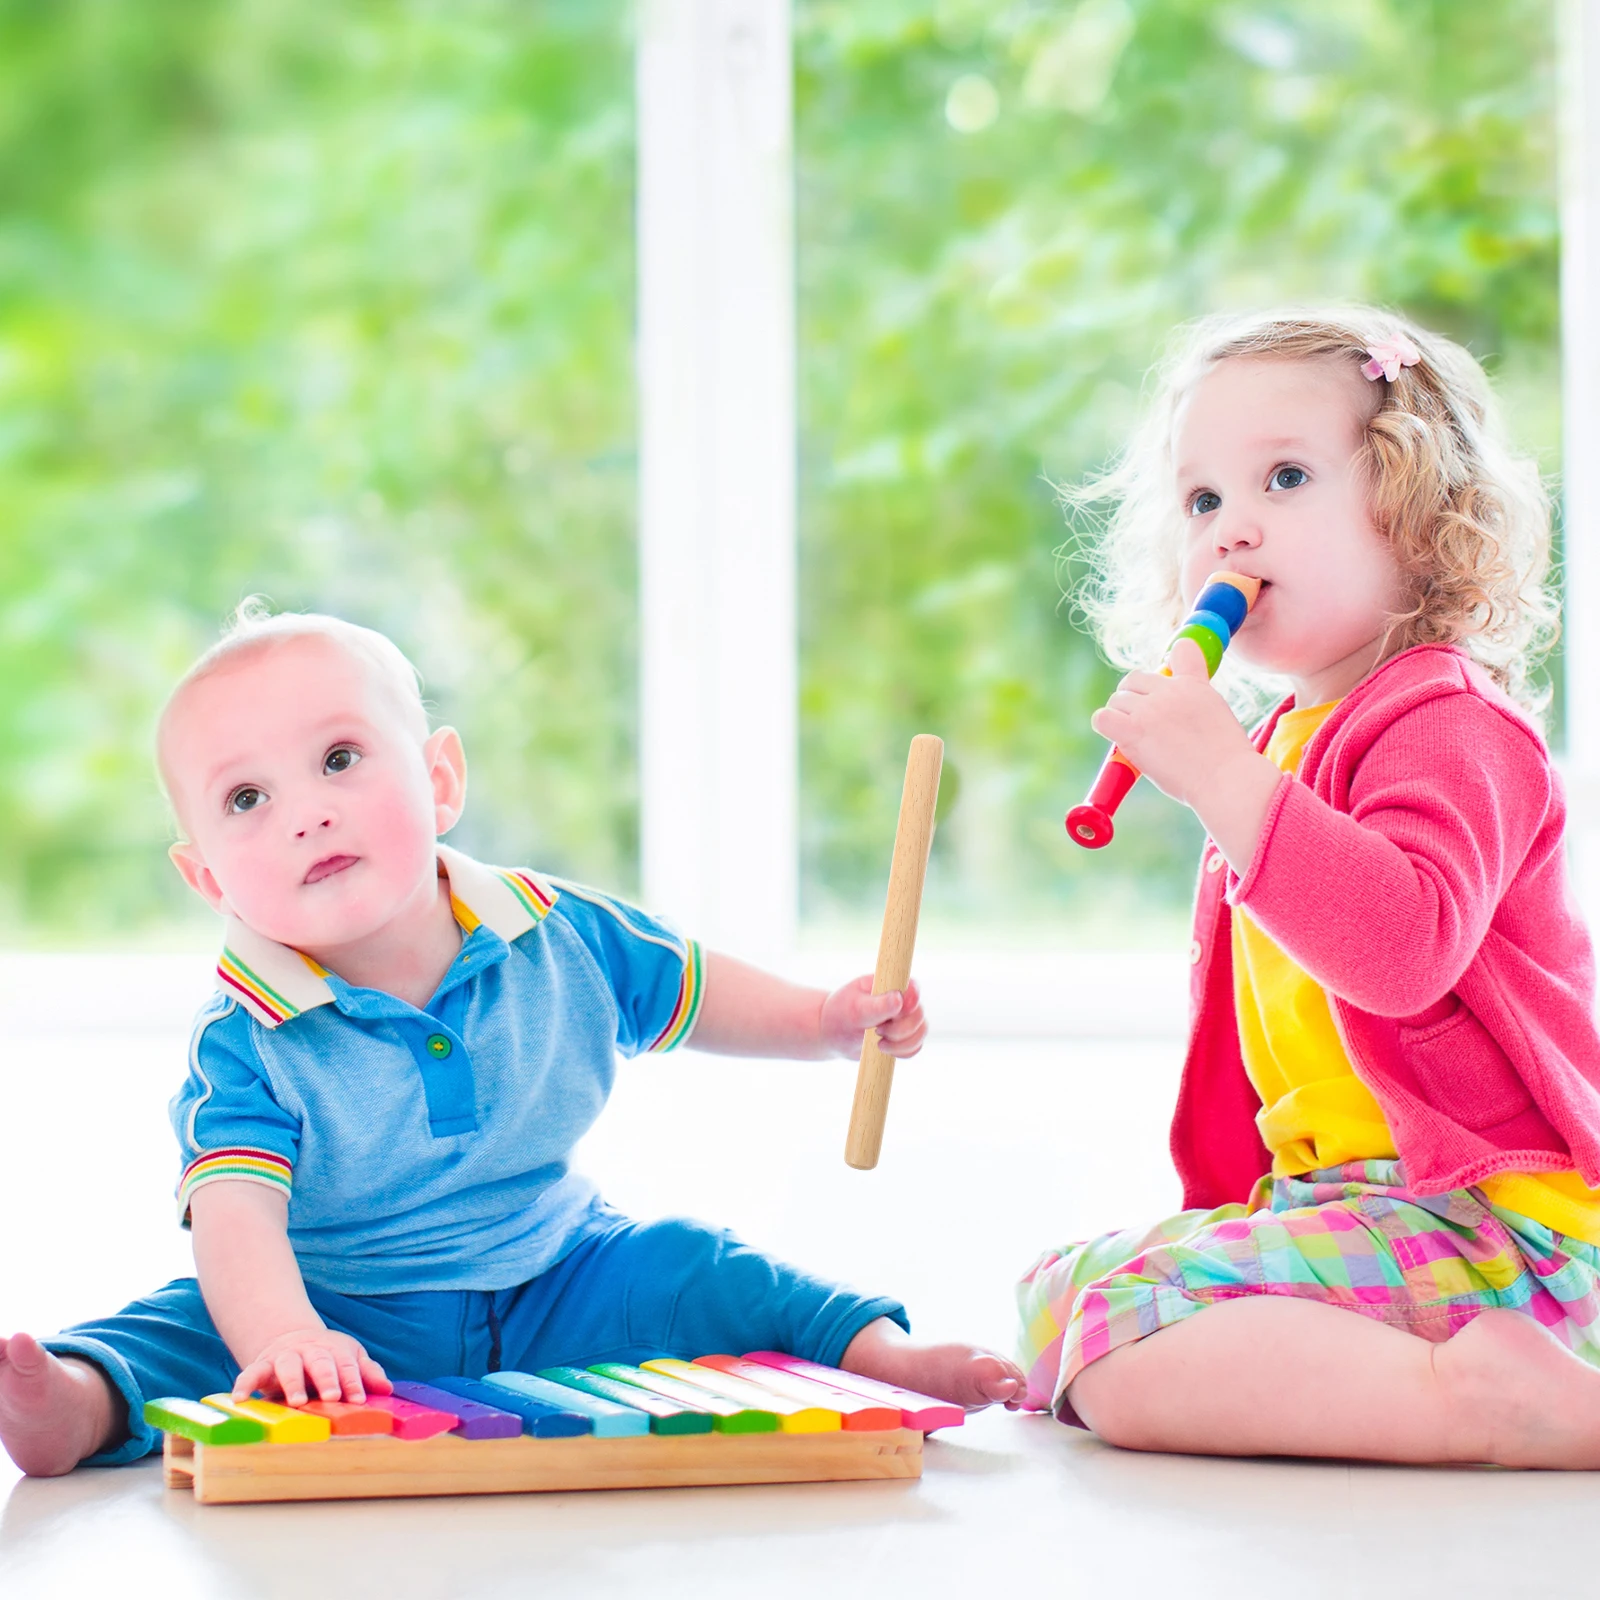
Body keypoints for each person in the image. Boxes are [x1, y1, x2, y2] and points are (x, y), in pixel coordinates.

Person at [1, 605, 1023, 1475]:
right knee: (181, 1332)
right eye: (247, 799)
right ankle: (76, 1404)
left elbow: (695, 988)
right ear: (209, 879)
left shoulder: (556, 932)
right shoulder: (248, 1035)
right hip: (339, 1306)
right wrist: (285, 1338)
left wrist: (826, 1023)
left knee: (708, 1269)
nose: (305, 813)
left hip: (557, 1273)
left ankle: (884, 1352)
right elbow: (236, 1223)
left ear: (440, 778)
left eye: (340, 759)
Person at [1017, 308, 1600, 1467]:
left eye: (1282, 478)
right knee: (1057, 1300)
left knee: (1119, 1340)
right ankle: (1430, 1378)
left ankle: (1483, 1401)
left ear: (1418, 513)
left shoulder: (1450, 720)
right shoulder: (1284, 740)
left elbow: (1400, 952)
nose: (1231, 532)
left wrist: (1224, 779)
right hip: (1361, 1206)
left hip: (1506, 1225)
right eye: (1202, 502)